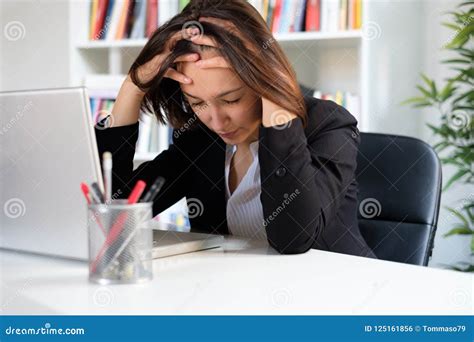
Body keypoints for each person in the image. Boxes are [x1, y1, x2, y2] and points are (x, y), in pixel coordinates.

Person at [95, 0, 376, 258]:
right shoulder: (200, 139)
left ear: (261, 78)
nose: (216, 121)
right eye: (197, 103)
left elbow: (293, 238)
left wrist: (273, 91)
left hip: (336, 297)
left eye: (231, 99)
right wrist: (131, 89)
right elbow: (114, 216)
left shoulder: (329, 125)